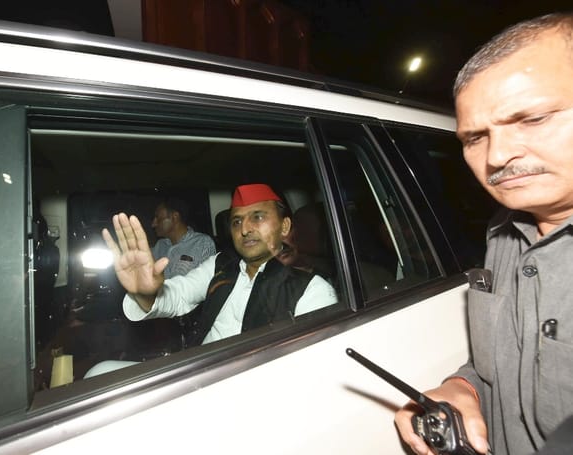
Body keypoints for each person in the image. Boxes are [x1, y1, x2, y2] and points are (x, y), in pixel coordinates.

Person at [394, 12, 573, 455]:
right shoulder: (504, 231)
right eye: (475, 138)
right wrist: (463, 388)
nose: (497, 155)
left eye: (533, 119)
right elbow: (508, 366)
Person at [88, 184, 336, 377]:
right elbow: (179, 294)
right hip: (196, 367)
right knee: (99, 372)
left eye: (258, 217)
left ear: (284, 226)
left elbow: (307, 374)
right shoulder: (220, 265)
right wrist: (146, 292)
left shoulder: (313, 290)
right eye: (237, 221)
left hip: (244, 386)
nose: (245, 229)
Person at [149, 196, 216, 278]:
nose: (153, 224)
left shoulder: (202, 243)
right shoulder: (160, 245)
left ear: (175, 217)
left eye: (158, 218)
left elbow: (208, 279)